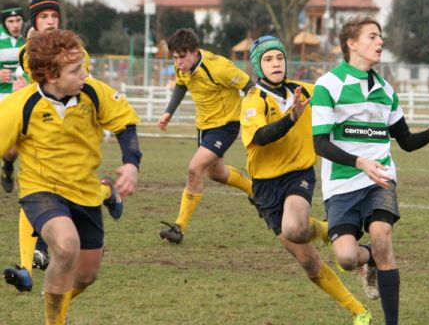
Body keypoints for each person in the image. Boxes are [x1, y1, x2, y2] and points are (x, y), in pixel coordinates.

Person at [311, 15, 429, 325]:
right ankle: (368, 260)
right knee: (347, 258)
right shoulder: (328, 85)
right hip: (342, 185)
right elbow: (320, 144)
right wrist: (359, 162)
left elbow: (405, 141)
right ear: (351, 44)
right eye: (372, 36)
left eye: (380, 36)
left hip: (380, 179)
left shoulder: (386, 90)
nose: (380, 42)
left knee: (383, 237)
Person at [0, 29, 141, 323]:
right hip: (42, 191)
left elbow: (125, 124)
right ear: (51, 75)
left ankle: (55, 295)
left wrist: (131, 164)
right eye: (76, 70)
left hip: (86, 192)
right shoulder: (18, 106)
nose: (84, 74)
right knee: (66, 245)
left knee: (87, 275)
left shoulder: (93, 91)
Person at [240, 36, 373, 325]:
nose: (275, 63)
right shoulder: (253, 100)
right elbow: (261, 137)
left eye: (279, 57)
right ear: (257, 66)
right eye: (268, 59)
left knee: (295, 227)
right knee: (308, 262)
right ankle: (359, 310)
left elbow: (339, 95)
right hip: (264, 187)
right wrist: (291, 117)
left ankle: (324, 233)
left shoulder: (308, 91)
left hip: (297, 175)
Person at [3, 0, 122, 293]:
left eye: (54, 16)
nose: (50, 21)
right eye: (43, 17)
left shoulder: (75, 51)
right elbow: (26, 82)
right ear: (35, 22)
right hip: (37, 130)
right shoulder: (26, 51)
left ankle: (106, 190)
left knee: (63, 194)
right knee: (30, 192)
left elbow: (84, 85)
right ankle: (28, 267)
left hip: (72, 131)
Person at [158, 28, 257, 243]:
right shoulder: (182, 67)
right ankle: (254, 191)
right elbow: (181, 85)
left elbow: (251, 87)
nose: (178, 62)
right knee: (216, 173)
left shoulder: (220, 68)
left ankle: (179, 227)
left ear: (195, 51)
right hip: (204, 126)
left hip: (226, 125)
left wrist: (254, 117)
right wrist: (168, 112)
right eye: (174, 57)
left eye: (182, 57)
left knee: (195, 168)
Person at [0, 2, 26, 193]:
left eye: (18, 20)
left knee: (11, 150)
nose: (15, 24)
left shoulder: (29, 39)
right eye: (11, 21)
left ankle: (8, 167)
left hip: (18, 99)